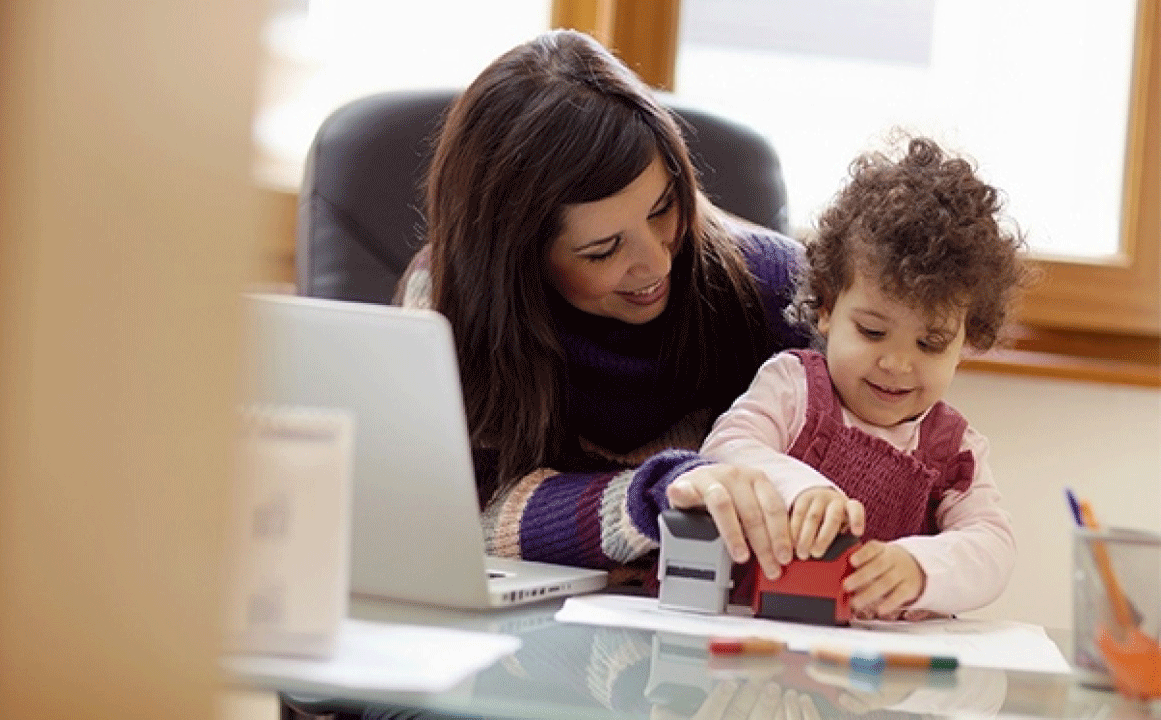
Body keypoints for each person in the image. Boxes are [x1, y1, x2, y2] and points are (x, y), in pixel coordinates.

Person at [394, 28, 824, 589]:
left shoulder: (787, 296)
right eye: (603, 249)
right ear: (518, 261)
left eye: (665, 208)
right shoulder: (446, 304)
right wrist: (652, 498)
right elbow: (450, 510)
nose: (656, 264)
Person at [701, 134, 1033, 620]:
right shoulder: (792, 387)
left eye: (930, 343)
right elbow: (724, 450)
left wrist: (919, 568)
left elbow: (992, 548)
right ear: (829, 308)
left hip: (876, 674)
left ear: (968, 340)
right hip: (762, 640)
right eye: (873, 331)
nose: (897, 364)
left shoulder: (954, 450)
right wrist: (801, 488)